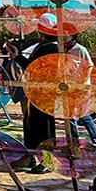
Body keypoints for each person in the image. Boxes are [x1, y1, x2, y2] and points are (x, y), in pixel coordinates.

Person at [18, 14, 71, 173]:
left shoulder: (50, 48)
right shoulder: (46, 47)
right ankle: (32, 157)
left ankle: (47, 161)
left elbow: (33, 68)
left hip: (43, 94)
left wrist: (17, 57)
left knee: (43, 127)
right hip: (38, 93)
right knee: (33, 126)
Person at [65, 34, 96, 149]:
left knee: (83, 115)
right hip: (69, 86)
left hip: (81, 87)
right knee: (70, 116)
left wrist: (84, 81)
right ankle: (74, 142)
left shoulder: (80, 49)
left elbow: (89, 65)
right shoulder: (63, 50)